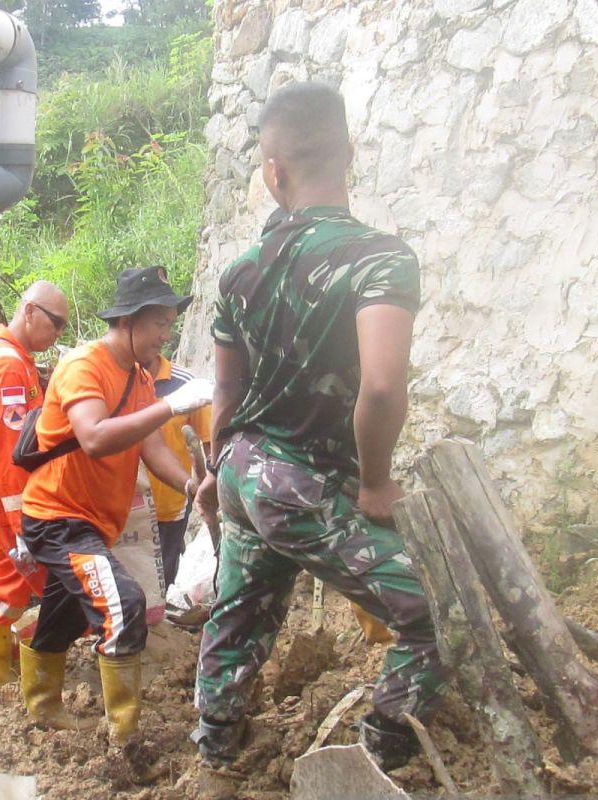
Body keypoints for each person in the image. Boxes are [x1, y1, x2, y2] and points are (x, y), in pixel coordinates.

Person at [190, 83, 445, 777]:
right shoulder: (378, 259)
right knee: (432, 616)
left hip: (245, 470)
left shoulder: (241, 273)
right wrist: (376, 482)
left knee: (241, 613)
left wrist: (215, 473)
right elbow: (383, 386)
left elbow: (225, 390)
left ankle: (215, 755)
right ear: (349, 155)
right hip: (303, 481)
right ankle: (378, 757)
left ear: (273, 172)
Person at [18, 267, 213, 741]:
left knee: (61, 617)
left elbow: (154, 450)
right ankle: (123, 738)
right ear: (128, 321)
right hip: (58, 519)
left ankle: (42, 709)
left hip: (92, 522)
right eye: (159, 324)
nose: (166, 335)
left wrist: (194, 486)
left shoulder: (141, 380)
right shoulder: (83, 366)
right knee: (124, 608)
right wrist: (172, 406)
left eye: (170, 325)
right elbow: (94, 438)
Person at [0, 280, 68, 684]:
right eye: (55, 322)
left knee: (9, 586)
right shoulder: (7, 367)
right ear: (29, 311)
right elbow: (11, 451)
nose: (58, 332)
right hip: (13, 503)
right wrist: (24, 526)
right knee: (9, 588)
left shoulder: (14, 360)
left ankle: (1, 666)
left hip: (8, 501)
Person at [141, 349, 212, 586]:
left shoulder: (185, 384)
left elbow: (210, 442)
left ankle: (157, 620)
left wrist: (213, 482)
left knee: (163, 579)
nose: (160, 334)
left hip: (170, 505)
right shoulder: (118, 380)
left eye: (164, 325)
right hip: (124, 508)